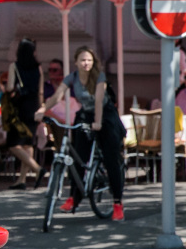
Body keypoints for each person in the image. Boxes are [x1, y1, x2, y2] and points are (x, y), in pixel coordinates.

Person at [36, 46, 126, 220]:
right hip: (86, 113)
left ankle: (117, 203)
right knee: (78, 154)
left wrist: (98, 122)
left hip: (105, 115)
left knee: (110, 158)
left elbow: (99, 101)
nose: (86, 63)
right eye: (83, 60)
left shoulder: (99, 76)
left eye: (89, 60)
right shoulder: (72, 77)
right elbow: (57, 96)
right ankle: (73, 198)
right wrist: (42, 109)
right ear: (76, 62)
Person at [4, 38, 44, 189]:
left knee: (13, 144)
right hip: (34, 107)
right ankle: (21, 180)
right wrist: (40, 109)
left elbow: (9, 88)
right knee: (28, 143)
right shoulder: (38, 68)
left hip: (20, 107)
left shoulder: (14, 66)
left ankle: (37, 169)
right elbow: (40, 91)